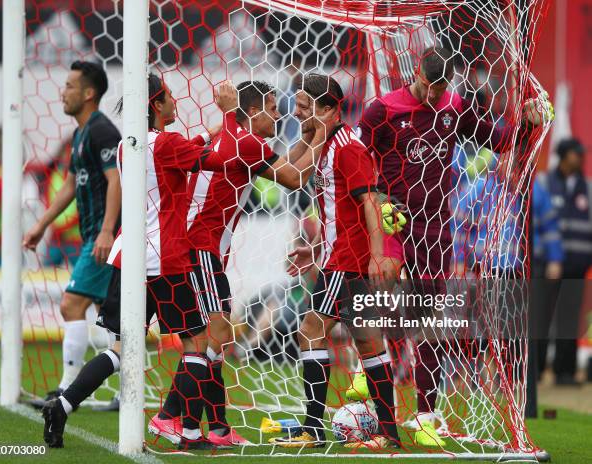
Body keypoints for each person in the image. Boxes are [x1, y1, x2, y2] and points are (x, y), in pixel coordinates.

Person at [357, 46, 550, 447]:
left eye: (443, 87)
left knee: (431, 321)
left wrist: (528, 124)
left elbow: (499, 141)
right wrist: (374, 202)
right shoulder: (382, 110)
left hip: (434, 228)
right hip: (390, 222)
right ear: (417, 75)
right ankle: (371, 379)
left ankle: (425, 414)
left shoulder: (454, 106)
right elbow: (358, 160)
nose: (436, 95)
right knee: (379, 294)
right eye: (431, 86)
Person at [40, 76, 240, 449]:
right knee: (197, 342)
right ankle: (192, 435)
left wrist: (205, 136)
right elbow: (220, 159)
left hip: (127, 257)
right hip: (166, 260)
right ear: (155, 103)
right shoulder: (168, 143)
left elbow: (175, 155)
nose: (174, 100)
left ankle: (63, 404)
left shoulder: (124, 146)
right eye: (168, 95)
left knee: (121, 349)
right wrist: (229, 116)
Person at [150, 79, 332, 447]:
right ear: (251, 111)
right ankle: (170, 416)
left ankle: (216, 428)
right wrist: (322, 134)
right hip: (198, 247)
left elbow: (288, 165)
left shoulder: (240, 142)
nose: (280, 114)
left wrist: (311, 136)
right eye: (272, 107)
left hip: (204, 248)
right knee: (210, 337)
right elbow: (296, 178)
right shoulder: (245, 143)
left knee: (214, 338)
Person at [270, 74, 400, 450]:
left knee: (311, 328)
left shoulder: (346, 147)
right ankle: (388, 433)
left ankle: (313, 427)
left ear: (328, 109)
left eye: (305, 108)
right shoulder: (324, 144)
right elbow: (335, 207)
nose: (298, 114)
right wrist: (313, 251)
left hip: (348, 259)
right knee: (368, 343)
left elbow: (370, 202)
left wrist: (378, 255)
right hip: (338, 254)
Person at [23, 61, 122, 405]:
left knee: (70, 305)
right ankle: (127, 391)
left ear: (89, 93)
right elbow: (69, 184)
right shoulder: (82, 134)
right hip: (96, 235)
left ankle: (67, 389)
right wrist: (41, 224)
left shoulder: (102, 131)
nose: (62, 92)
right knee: (114, 320)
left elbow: (116, 179)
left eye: (69, 86)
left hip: (103, 236)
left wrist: (108, 230)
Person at [536, 137, 591, 385]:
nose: (580, 158)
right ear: (563, 155)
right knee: (541, 316)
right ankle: (534, 371)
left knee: (569, 318)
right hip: (548, 262)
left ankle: (565, 372)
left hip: (578, 264)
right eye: (575, 153)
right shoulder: (545, 183)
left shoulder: (587, 187)